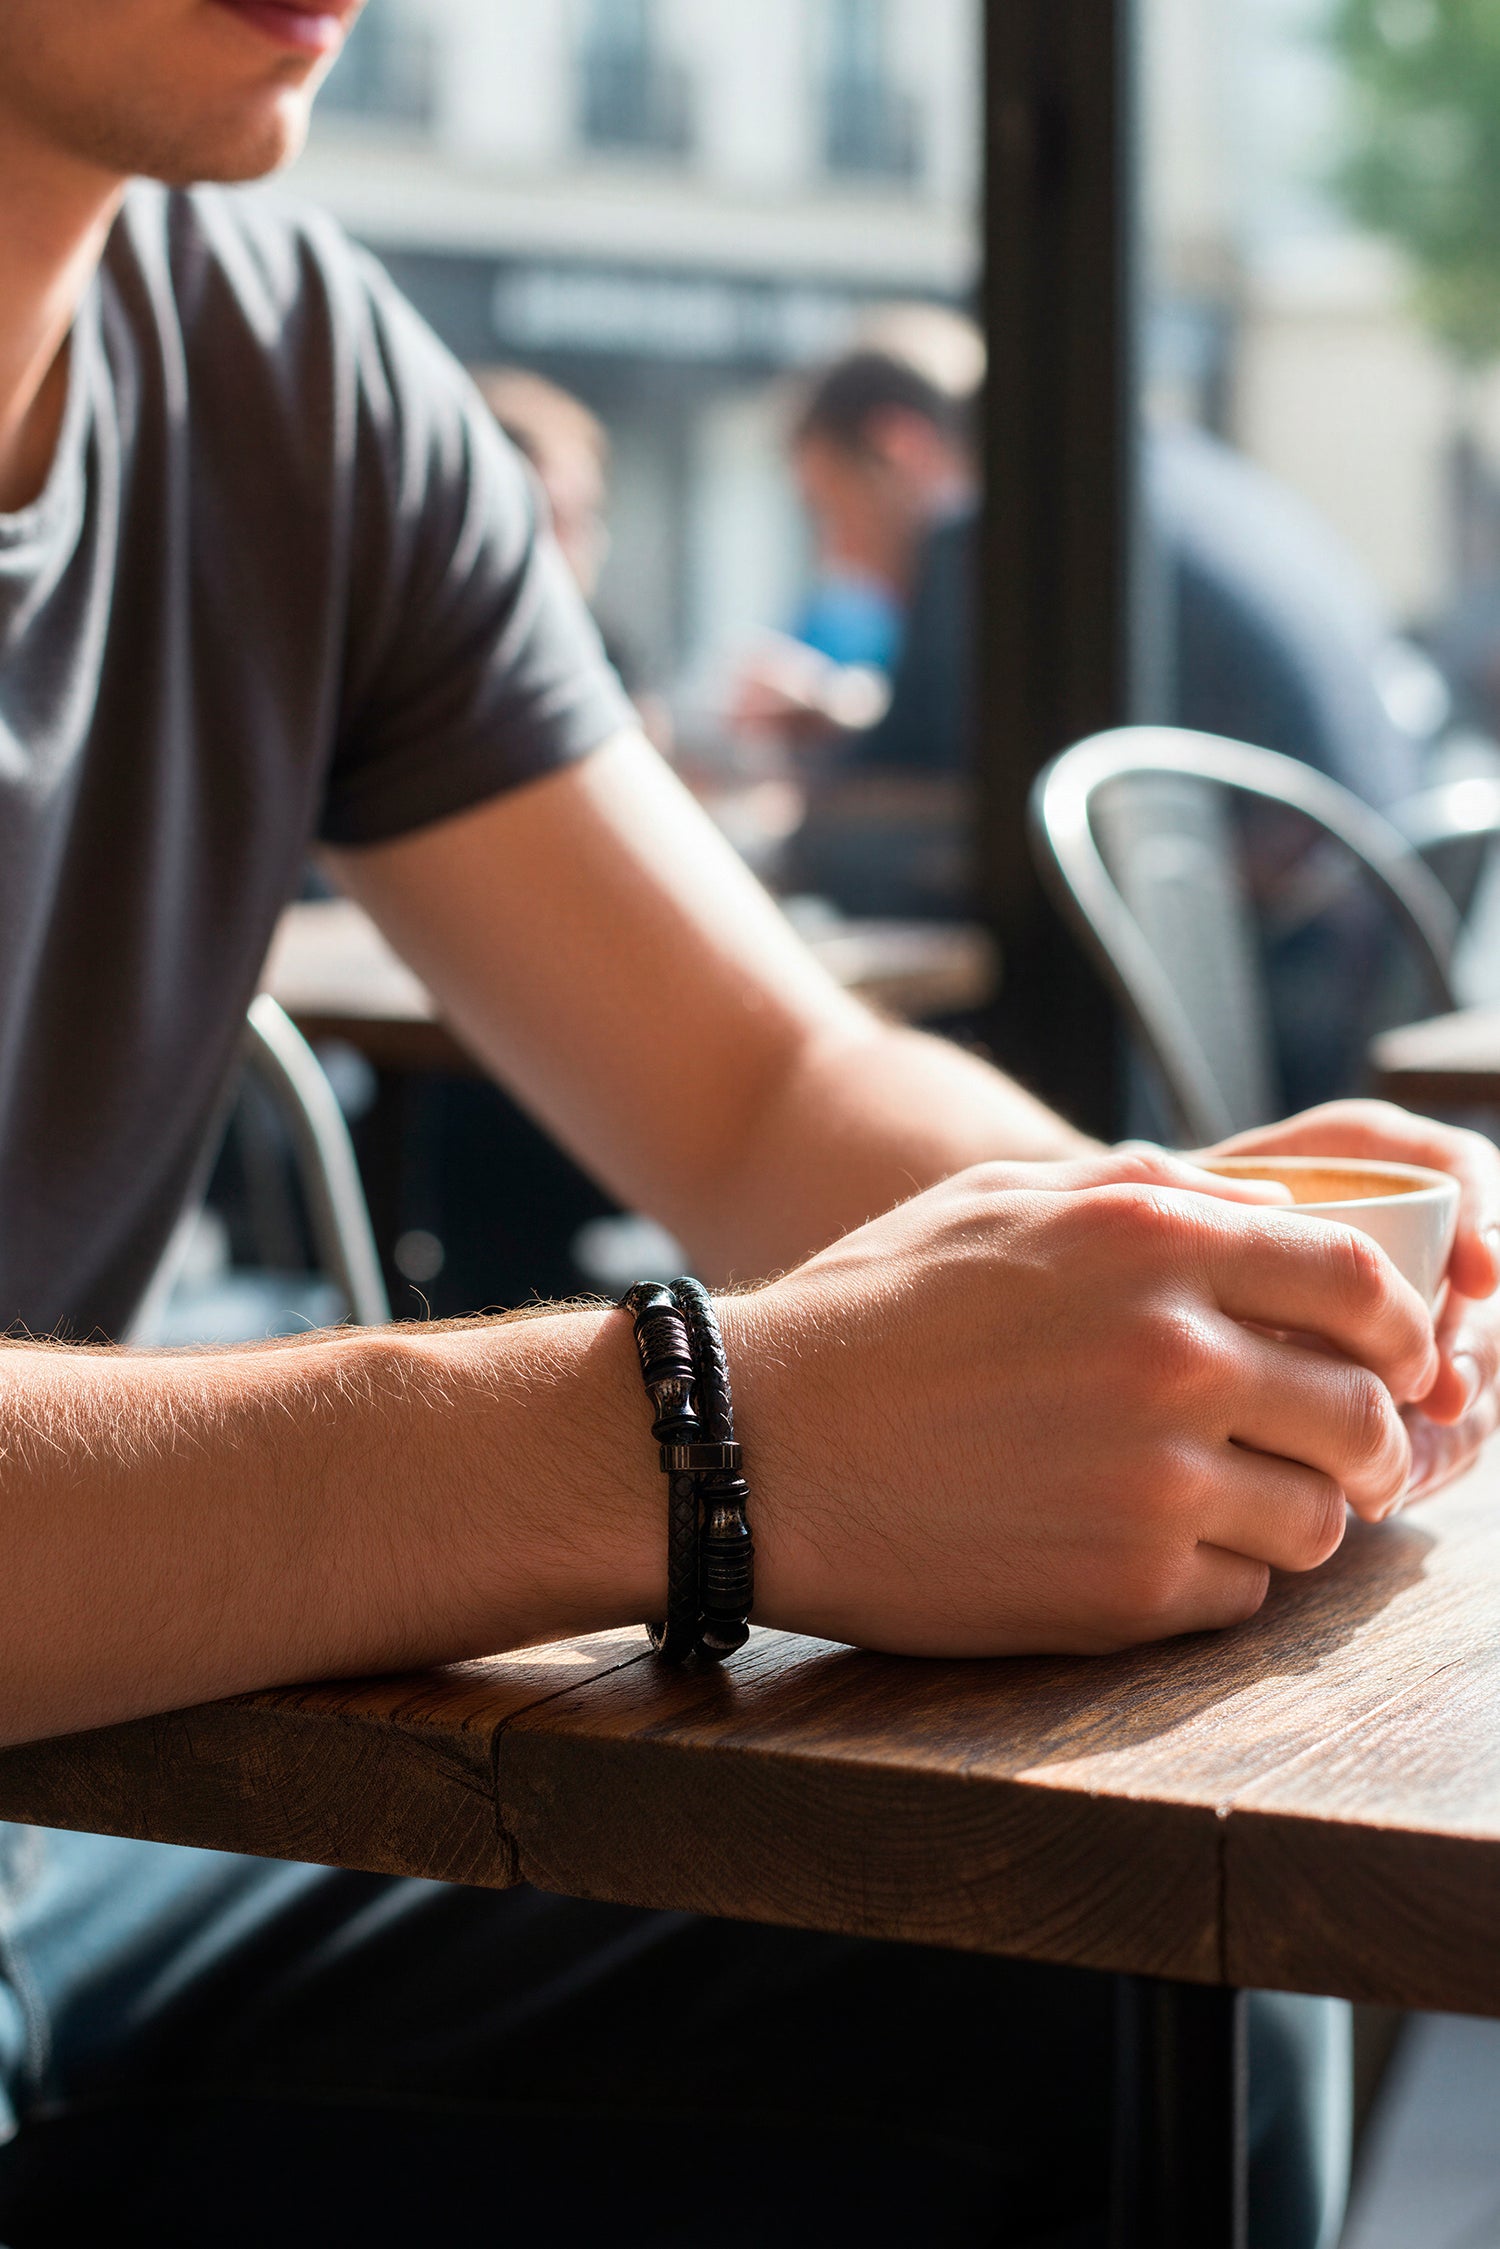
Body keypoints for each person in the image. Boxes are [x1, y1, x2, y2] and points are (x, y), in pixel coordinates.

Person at [0, 4, 1496, 2243]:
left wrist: (1187, 1285)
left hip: (62, 1839)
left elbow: (766, 1078)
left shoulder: (291, 370)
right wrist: (705, 1438)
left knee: (1090, 1968)